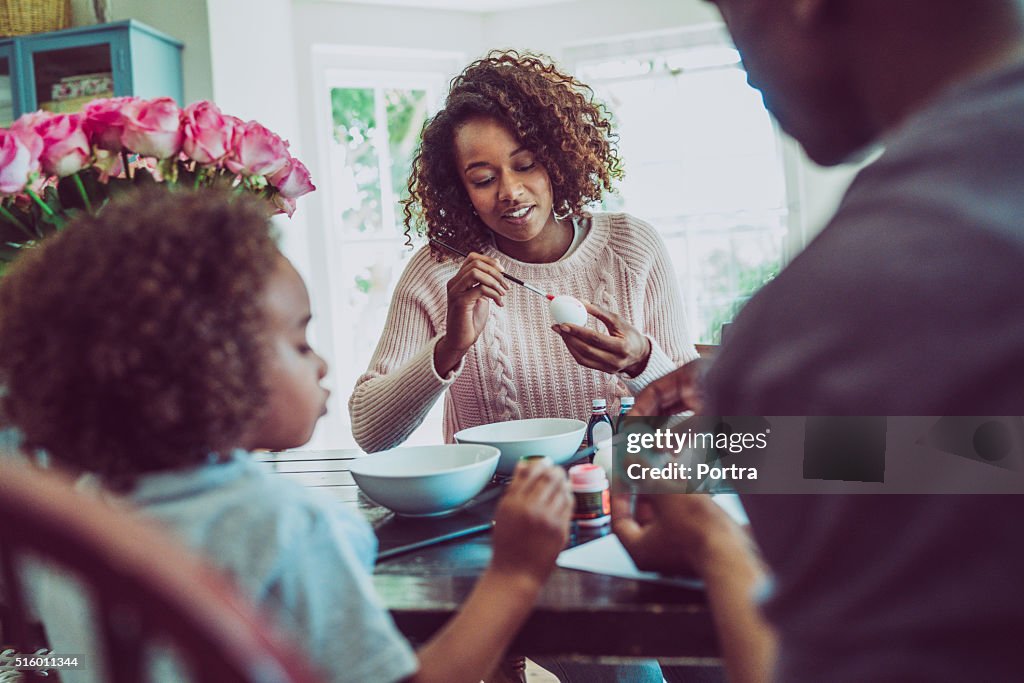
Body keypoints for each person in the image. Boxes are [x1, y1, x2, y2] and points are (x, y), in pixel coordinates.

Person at [0, 188, 574, 683]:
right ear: (213, 368)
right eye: (300, 343)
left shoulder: (74, 528)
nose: (321, 363)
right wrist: (515, 574)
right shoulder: (292, 528)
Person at [616, 1, 1024, 682]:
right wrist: (734, 434)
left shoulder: (829, 320)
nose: (737, 47)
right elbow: (987, 451)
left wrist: (716, 543)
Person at [349, 50, 697, 454]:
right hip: (495, 507)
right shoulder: (440, 271)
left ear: (557, 160)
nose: (510, 192)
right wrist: (451, 347)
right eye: (483, 179)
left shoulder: (633, 248)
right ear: (459, 190)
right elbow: (370, 434)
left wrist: (640, 362)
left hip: (619, 497)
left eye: (526, 164)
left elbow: (699, 428)